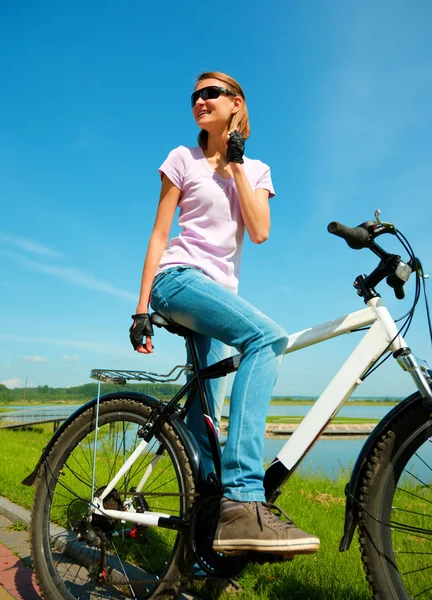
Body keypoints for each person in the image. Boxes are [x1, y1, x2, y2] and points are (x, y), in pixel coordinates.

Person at [130, 71, 319, 556]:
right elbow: (158, 234)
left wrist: (234, 165)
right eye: (194, 94)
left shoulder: (256, 170)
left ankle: (198, 552)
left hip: (216, 296)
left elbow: (259, 231)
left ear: (236, 103)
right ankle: (244, 499)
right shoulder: (182, 158)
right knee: (267, 338)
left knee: (203, 428)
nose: (199, 100)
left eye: (210, 93)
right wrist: (140, 307)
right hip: (179, 281)